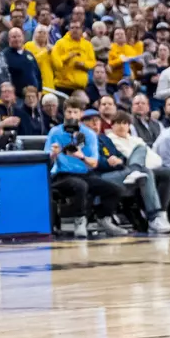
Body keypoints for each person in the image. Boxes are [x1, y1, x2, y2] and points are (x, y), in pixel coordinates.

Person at [44, 99, 125, 238]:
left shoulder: (89, 134)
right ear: (64, 113)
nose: (72, 115)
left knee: (116, 189)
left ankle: (104, 219)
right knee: (80, 185)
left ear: (81, 114)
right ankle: (80, 220)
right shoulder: (55, 132)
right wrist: (54, 154)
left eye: (75, 112)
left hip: (85, 173)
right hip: (62, 174)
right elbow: (46, 159)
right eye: (69, 112)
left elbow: (94, 163)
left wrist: (81, 156)